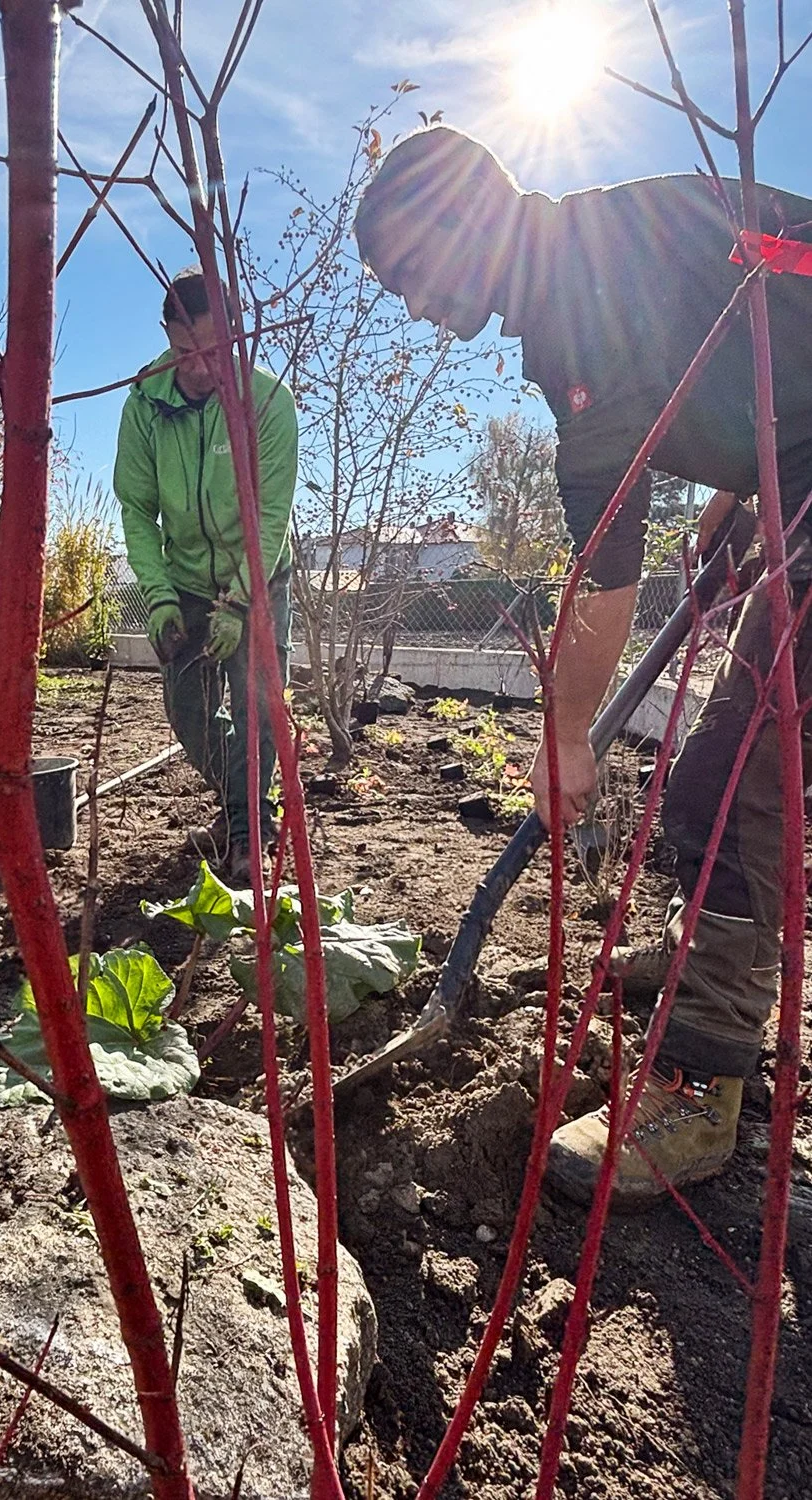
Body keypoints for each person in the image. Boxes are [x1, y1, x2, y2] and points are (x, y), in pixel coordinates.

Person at [355, 125, 812, 1210]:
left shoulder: (579, 311)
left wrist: (562, 734)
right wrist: (748, 487)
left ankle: (702, 1079)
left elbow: (605, 568)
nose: (415, 307)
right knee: (721, 786)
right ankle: (715, 962)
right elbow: (766, 331)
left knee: (739, 785)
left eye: (411, 276)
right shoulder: (604, 242)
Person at [114, 270, 299, 883]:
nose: (199, 366)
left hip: (260, 577)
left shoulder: (268, 404)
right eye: (185, 349)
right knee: (186, 707)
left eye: (214, 350)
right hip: (187, 579)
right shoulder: (144, 402)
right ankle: (241, 805)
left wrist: (243, 603)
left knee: (256, 706)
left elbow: (269, 515)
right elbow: (138, 509)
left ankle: (250, 827)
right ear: (167, 335)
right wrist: (161, 599)